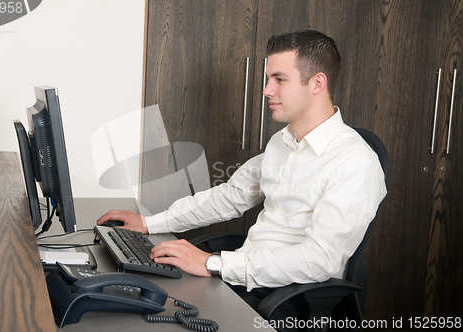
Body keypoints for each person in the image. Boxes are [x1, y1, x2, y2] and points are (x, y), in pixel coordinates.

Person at [98, 30, 386, 311]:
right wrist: (150, 224)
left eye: (279, 79)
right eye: (267, 78)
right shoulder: (282, 142)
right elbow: (230, 197)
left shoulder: (355, 161)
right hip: (244, 275)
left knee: (157, 311)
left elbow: (320, 259)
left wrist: (213, 263)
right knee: (139, 293)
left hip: (289, 296)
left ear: (317, 83)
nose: (266, 90)